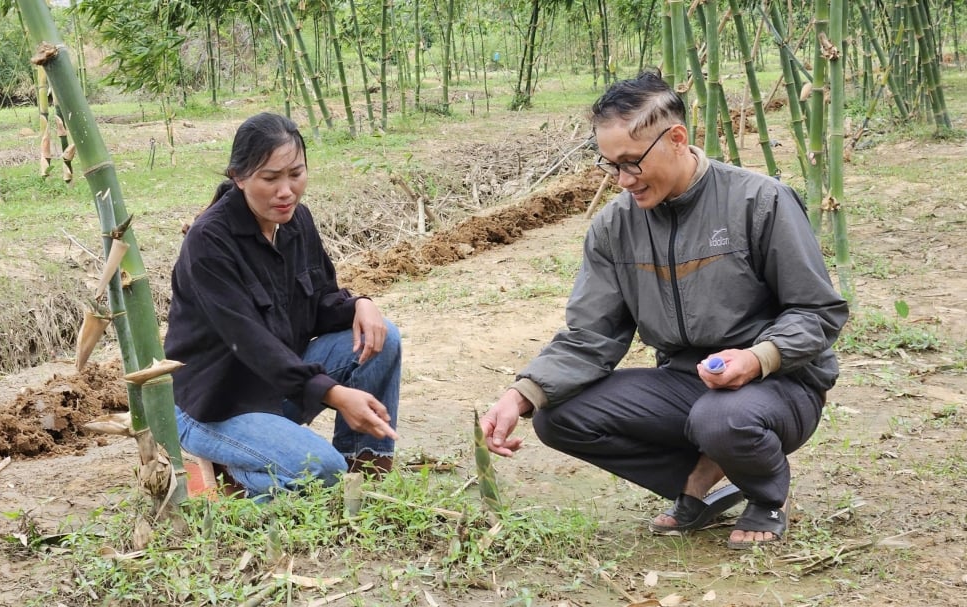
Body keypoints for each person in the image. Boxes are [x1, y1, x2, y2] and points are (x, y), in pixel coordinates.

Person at [479, 71, 849, 549]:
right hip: (685, 381)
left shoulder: (759, 200)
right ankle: (701, 473)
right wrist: (520, 395)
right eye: (610, 165)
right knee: (557, 415)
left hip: (780, 382)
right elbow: (591, 335)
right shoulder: (615, 227)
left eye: (632, 163)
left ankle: (765, 494)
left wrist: (758, 357)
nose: (622, 180)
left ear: (676, 138)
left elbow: (818, 311)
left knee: (722, 419)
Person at [164, 112, 400, 499]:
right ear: (238, 177)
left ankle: (365, 475)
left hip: (275, 389)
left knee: (383, 337)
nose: (286, 191)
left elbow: (321, 300)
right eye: (270, 178)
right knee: (321, 470)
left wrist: (361, 303)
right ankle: (235, 473)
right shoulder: (209, 243)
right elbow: (254, 343)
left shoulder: (295, 221)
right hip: (214, 405)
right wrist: (336, 395)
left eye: (296, 174)